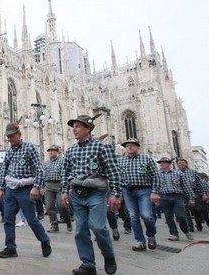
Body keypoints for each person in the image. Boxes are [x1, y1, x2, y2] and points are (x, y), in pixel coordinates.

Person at [61, 115, 121, 275]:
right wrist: (64, 191)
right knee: (80, 231)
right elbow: (65, 172)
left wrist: (116, 194)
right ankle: (88, 264)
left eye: (78, 126)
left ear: (88, 128)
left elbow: (113, 171)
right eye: (73, 126)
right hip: (77, 194)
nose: (74, 129)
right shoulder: (71, 149)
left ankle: (109, 256)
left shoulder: (101, 147)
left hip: (96, 193)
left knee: (98, 227)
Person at [0, 122, 52, 259]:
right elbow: (4, 169)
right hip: (11, 189)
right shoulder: (9, 151)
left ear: (19, 135)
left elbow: (39, 169)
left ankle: (44, 240)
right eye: (8, 137)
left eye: (12, 136)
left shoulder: (30, 148)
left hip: (26, 189)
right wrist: (2, 188)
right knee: (8, 219)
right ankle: (11, 247)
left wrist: (36, 187)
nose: (10, 139)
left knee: (31, 219)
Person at [119, 138, 160, 252]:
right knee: (133, 216)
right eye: (128, 146)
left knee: (147, 215)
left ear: (138, 147)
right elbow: (117, 178)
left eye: (132, 145)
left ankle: (151, 235)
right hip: (128, 191)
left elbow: (155, 176)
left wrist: (155, 192)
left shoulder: (146, 159)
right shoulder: (121, 161)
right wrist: (118, 193)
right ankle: (140, 241)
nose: (130, 147)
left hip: (144, 190)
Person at [157, 157, 195, 241]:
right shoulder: (157, 174)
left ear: (169, 164)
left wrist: (191, 198)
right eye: (161, 163)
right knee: (168, 217)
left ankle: (186, 231)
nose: (162, 164)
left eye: (164, 162)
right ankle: (174, 234)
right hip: (164, 197)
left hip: (177, 197)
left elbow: (186, 186)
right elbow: (155, 187)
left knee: (180, 216)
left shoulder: (178, 173)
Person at [42, 144, 72, 233]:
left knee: (62, 205)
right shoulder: (46, 163)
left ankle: (68, 221)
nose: (50, 152)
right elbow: (43, 175)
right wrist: (42, 187)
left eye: (53, 150)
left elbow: (65, 174)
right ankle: (54, 225)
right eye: (49, 151)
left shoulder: (62, 161)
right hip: (48, 185)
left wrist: (67, 187)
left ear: (57, 152)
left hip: (59, 185)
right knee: (49, 206)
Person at [176, 158, 209, 231]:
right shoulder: (175, 172)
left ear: (186, 164)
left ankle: (198, 223)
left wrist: (204, 193)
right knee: (185, 210)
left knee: (198, 209)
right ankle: (190, 226)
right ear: (177, 165)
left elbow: (200, 183)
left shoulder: (193, 172)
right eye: (179, 163)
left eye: (183, 162)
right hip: (182, 193)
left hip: (194, 193)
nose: (181, 164)